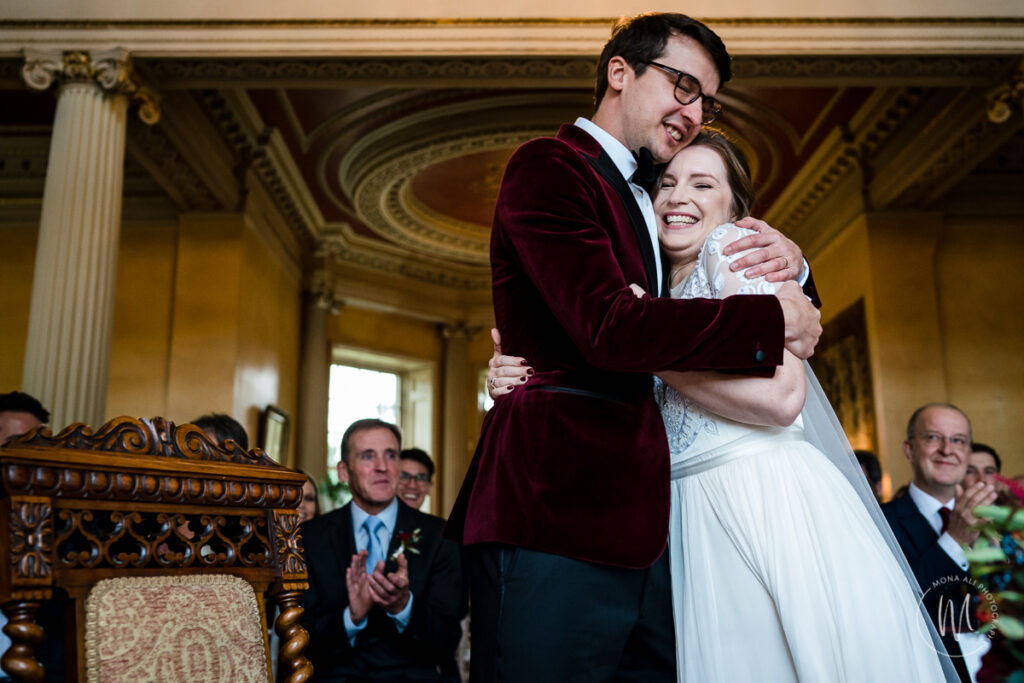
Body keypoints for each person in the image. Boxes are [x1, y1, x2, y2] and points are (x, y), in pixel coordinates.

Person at [487, 131, 956, 681]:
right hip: (680, 517)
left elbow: (782, 398)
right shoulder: (649, 286)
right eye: (665, 184)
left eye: (702, 184)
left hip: (756, 500)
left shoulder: (731, 252)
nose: (677, 196)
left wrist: (636, 351)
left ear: (735, 210)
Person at [445, 13, 822, 681]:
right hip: (554, 514)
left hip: (641, 530)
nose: (693, 111)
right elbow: (611, 327)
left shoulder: (646, 195)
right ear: (620, 71)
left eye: (705, 99)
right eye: (682, 84)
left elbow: (695, 272)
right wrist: (773, 321)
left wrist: (796, 267)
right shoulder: (550, 166)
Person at [299, 419, 465, 681]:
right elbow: (299, 638)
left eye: (391, 456)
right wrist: (351, 618)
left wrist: (404, 607)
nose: (382, 467)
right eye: (368, 456)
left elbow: (447, 637)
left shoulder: (440, 537)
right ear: (344, 471)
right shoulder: (310, 538)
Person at [882, 404, 998, 682]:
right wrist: (954, 539)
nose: (947, 449)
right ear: (909, 449)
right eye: (933, 437)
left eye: (958, 440)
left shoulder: (998, 520)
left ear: (967, 453)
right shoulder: (879, 521)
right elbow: (889, 605)